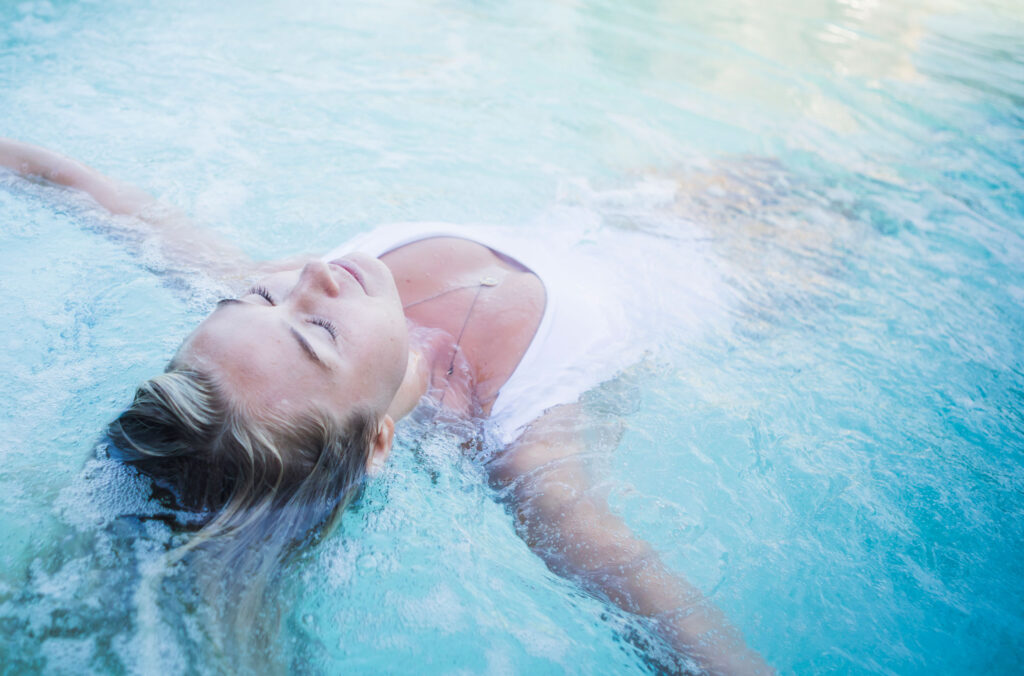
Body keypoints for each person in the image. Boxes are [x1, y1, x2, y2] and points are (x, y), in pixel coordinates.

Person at [0, 138, 771, 675]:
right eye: (318, 333)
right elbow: (690, 640)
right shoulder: (531, 451)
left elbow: (76, 186)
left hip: (626, 197)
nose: (312, 280)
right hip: (745, 277)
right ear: (376, 443)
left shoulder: (291, 304)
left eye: (258, 296)